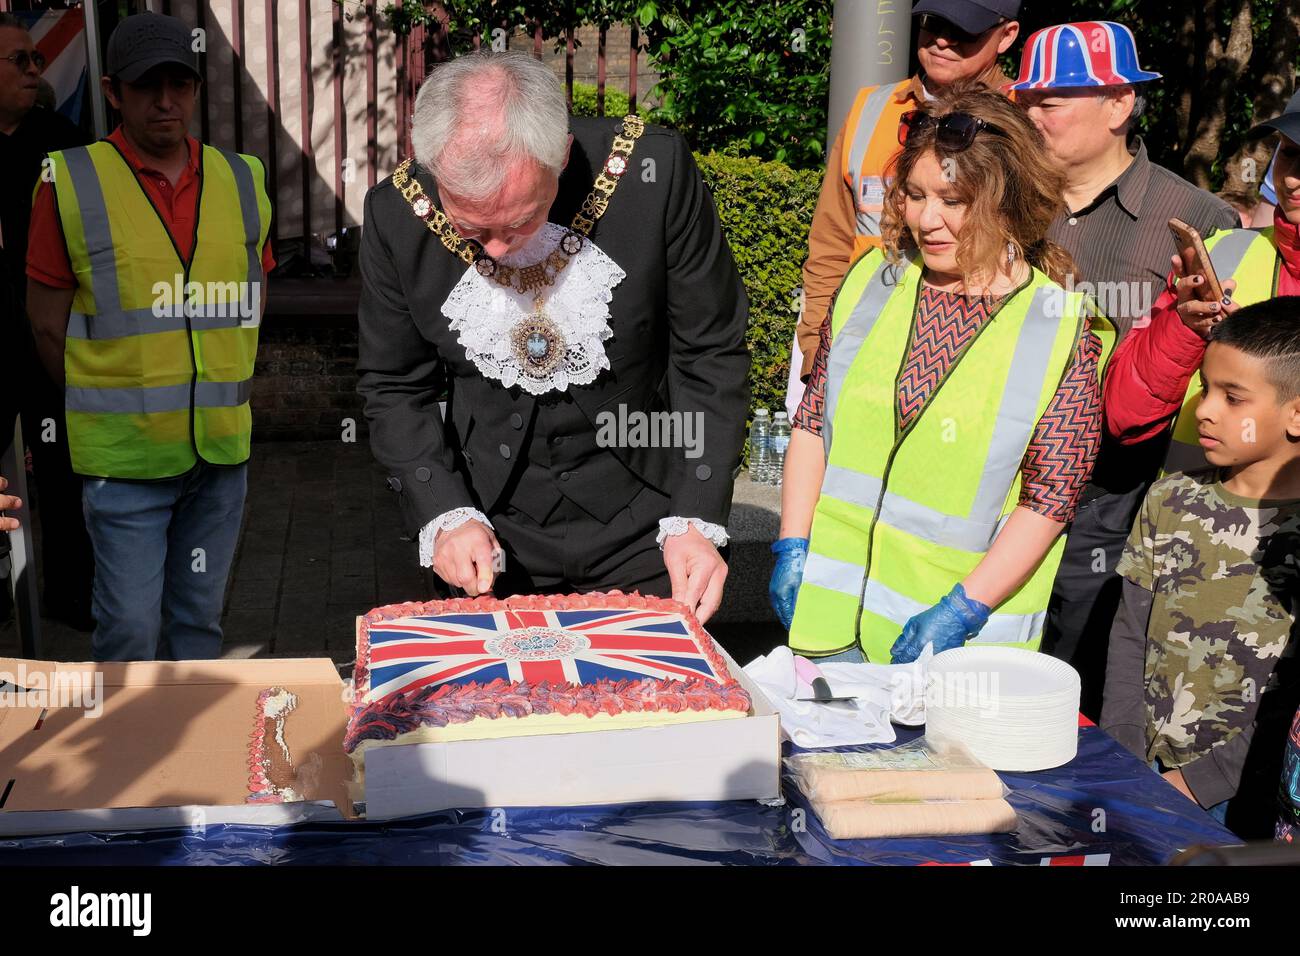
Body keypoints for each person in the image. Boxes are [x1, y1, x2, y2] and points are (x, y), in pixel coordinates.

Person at [356, 52, 749, 621]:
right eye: (470, 228)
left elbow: (709, 353)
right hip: (485, 528)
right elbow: (394, 385)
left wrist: (696, 514)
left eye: (518, 222)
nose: (494, 252)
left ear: (561, 156)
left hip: (648, 523)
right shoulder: (397, 212)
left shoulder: (653, 173)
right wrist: (442, 510)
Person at [770, 85, 1113, 664]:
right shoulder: (869, 284)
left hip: (959, 651)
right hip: (829, 629)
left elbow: (1052, 497)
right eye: (915, 194)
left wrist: (965, 607)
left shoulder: (1059, 327)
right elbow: (812, 420)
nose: (927, 219)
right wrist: (792, 541)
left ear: (1009, 203)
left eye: (953, 200)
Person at [25, 12, 275, 661]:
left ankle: (195, 761)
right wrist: (110, 398)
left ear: (195, 88)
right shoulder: (69, 182)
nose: (166, 101)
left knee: (197, 628)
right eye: (146, 86)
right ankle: (126, 759)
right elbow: (47, 324)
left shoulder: (242, 178)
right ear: (113, 92)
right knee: (131, 632)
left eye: (179, 84)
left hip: (220, 456)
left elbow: (251, 297)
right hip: (125, 463)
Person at [1010, 21, 1240, 716]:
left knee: (1077, 699)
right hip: (997, 487)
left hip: (1114, 504)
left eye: (1052, 101)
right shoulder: (1002, 202)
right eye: (1027, 100)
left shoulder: (1197, 220)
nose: (1032, 114)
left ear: (1119, 106)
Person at [1100, 301, 1300, 838]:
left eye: (1233, 398)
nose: (1205, 409)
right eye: (1205, 388)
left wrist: (1200, 783)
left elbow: (1287, 691)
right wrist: (1121, 752)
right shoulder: (1170, 498)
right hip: (1139, 767)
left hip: (1236, 796)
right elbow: (1129, 635)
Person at [793, 0, 1022, 382]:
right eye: (932, 23)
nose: (942, 42)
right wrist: (816, 347)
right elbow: (830, 244)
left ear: (1007, 35)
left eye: (964, 30)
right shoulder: (871, 108)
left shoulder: (1026, 119)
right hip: (856, 352)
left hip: (970, 361)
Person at [1105, 92, 1300, 471]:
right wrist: (1185, 329)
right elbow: (1123, 415)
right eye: (1288, 153)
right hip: (1193, 521)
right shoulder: (1222, 253)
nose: (1291, 178)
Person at [0, 12, 93, 630]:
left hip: (44, 338)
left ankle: (71, 598)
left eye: (38, 60)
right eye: (22, 62)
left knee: (62, 472)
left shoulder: (63, 145)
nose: (37, 71)